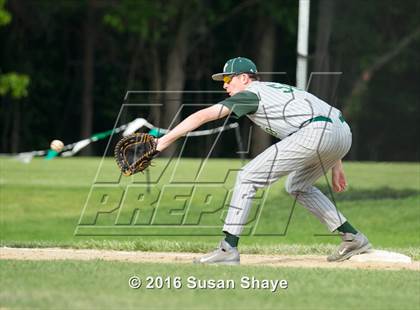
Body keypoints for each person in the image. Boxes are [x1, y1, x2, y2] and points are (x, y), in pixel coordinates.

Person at [155, 56, 371, 264]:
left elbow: (202, 116)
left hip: (317, 132)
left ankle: (227, 249)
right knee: (297, 186)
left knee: (247, 177)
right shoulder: (274, 89)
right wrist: (336, 162)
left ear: (245, 78)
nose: (225, 85)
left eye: (228, 79)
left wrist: (162, 142)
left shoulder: (250, 93)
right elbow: (324, 115)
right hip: (341, 133)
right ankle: (353, 238)